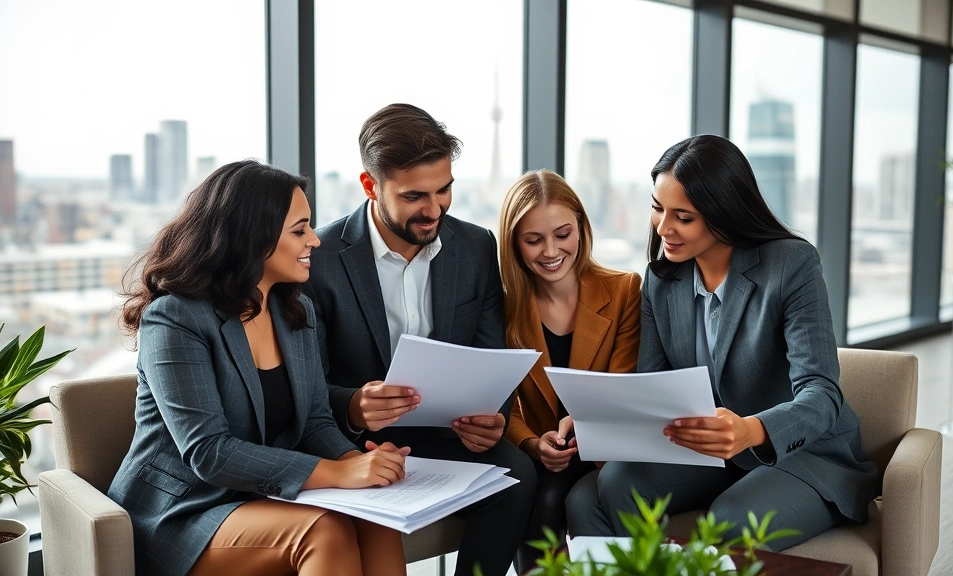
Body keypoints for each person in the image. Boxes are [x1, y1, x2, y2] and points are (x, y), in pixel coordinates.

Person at [565, 135, 879, 550]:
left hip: (803, 454)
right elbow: (654, 387)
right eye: (658, 209)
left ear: (723, 214)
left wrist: (751, 431)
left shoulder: (791, 265)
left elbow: (822, 394)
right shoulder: (662, 280)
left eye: (683, 217)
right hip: (708, 453)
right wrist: (598, 421)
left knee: (728, 521)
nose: (663, 228)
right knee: (593, 494)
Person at [109, 160, 410, 576]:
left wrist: (363, 466)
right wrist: (340, 472)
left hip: (265, 497)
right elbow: (208, 452)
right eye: (299, 229)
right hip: (185, 509)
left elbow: (316, 421)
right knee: (322, 531)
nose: (314, 241)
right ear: (253, 238)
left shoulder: (295, 309)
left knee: (378, 512)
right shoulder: (174, 318)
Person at [303, 103, 536, 576]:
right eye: (414, 196)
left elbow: (491, 356)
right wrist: (353, 406)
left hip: (448, 432)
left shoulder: (475, 247)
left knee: (519, 477)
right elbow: (304, 385)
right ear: (370, 185)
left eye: (444, 189)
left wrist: (494, 417)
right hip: (356, 440)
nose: (434, 210)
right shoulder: (320, 261)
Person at [498, 169, 640, 571]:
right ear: (514, 244)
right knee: (537, 495)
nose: (550, 250)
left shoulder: (624, 289)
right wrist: (530, 443)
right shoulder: (505, 310)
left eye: (563, 234)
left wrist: (584, 420)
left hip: (606, 448)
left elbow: (624, 385)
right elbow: (499, 401)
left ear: (581, 228)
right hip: (546, 455)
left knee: (552, 496)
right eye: (533, 239)